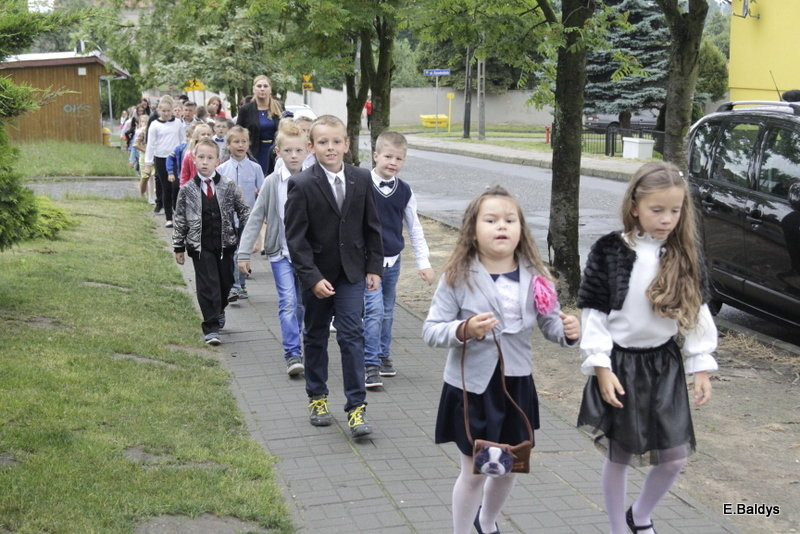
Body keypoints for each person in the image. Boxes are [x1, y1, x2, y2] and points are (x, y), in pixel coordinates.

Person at [422, 186, 579, 534]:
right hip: (472, 388)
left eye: (510, 220)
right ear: (473, 230)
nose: (501, 226)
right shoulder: (457, 276)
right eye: (491, 220)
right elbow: (431, 330)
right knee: (475, 471)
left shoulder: (537, 277)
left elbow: (551, 324)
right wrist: (464, 329)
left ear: (521, 229)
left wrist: (568, 329)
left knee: (508, 466)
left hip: (516, 385)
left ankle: (487, 523)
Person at [576, 161, 718, 534]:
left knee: (673, 457)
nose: (667, 219)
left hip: (664, 365)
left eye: (675, 210)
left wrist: (700, 365)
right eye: (658, 210)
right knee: (620, 454)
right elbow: (594, 316)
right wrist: (601, 368)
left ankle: (639, 516)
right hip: (620, 366)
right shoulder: (610, 250)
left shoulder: (684, 255)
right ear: (635, 206)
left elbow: (698, 313)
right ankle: (617, 528)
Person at [284, 114, 383, 438]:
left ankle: (356, 407)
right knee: (314, 335)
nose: (331, 147)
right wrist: (311, 278)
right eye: (323, 142)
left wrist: (373, 268)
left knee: (352, 335)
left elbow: (372, 226)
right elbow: (296, 239)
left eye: (336, 141)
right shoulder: (301, 184)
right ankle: (317, 397)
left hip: (352, 272)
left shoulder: (362, 179)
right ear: (312, 147)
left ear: (346, 144)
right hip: (317, 276)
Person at [363, 131, 435, 388]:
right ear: (376, 156)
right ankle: (369, 362)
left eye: (399, 158)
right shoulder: (361, 183)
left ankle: (383, 354)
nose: (393, 162)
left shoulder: (404, 190)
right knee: (373, 311)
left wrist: (423, 262)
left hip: (393, 260)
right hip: (367, 262)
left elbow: (414, 227)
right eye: (388, 157)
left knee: (387, 311)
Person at [237, 121, 307, 376]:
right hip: (281, 253)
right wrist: (244, 252)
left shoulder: (315, 180)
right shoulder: (271, 183)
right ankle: (292, 353)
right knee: (288, 302)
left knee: (301, 304)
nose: (294, 156)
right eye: (288, 151)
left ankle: (300, 340)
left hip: (308, 257)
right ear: (278, 152)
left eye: (298, 150)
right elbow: (256, 216)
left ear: (307, 150)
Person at [173, 139, 250, 345]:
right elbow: (180, 218)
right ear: (194, 159)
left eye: (209, 158)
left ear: (218, 161)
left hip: (225, 245)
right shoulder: (188, 190)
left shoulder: (228, 186)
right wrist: (178, 246)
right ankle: (211, 327)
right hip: (200, 247)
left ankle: (219, 309)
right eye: (201, 157)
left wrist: (250, 234)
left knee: (225, 284)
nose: (205, 162)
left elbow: (244, 210)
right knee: (208, 286)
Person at [217, 125, 264, 302]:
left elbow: (262, 193)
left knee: (242, 252)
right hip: (228, 219)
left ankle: (239, 285)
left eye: (244, 141)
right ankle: (237, 286)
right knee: (231, 252)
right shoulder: (222, 169)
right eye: (236, 141)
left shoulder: (255, 168)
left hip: (247, 218)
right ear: (228, 145)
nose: (240, 145)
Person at [144, 95, 185, 228]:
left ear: (172, 110)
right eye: (164, 111)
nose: (166, 113)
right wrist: (148, 163)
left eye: (169, 111)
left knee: (176, 186)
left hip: (175, 159)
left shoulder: (178, 123)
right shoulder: (155, 125)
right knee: (166, 187)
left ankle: (177, 211)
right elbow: (151, 144)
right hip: (161, 158)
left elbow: (182, 141)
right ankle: (169, 217)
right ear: (159, 110)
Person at [236, 75, 284, 175]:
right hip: (254, 152)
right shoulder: (246, 109)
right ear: (254, 89)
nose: (262, 89)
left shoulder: (279, 107)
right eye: (259, 86)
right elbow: (237, 132)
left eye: (265, 86)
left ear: (270, 89)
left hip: (276, 152)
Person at [174, 123, 213, 188]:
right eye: (203, 134)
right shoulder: (190, 154)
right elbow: (184, 173)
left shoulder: (213, 153)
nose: (206, 136)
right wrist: (183, 187)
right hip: (193, 187)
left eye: (208, 134)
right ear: (197, 137)